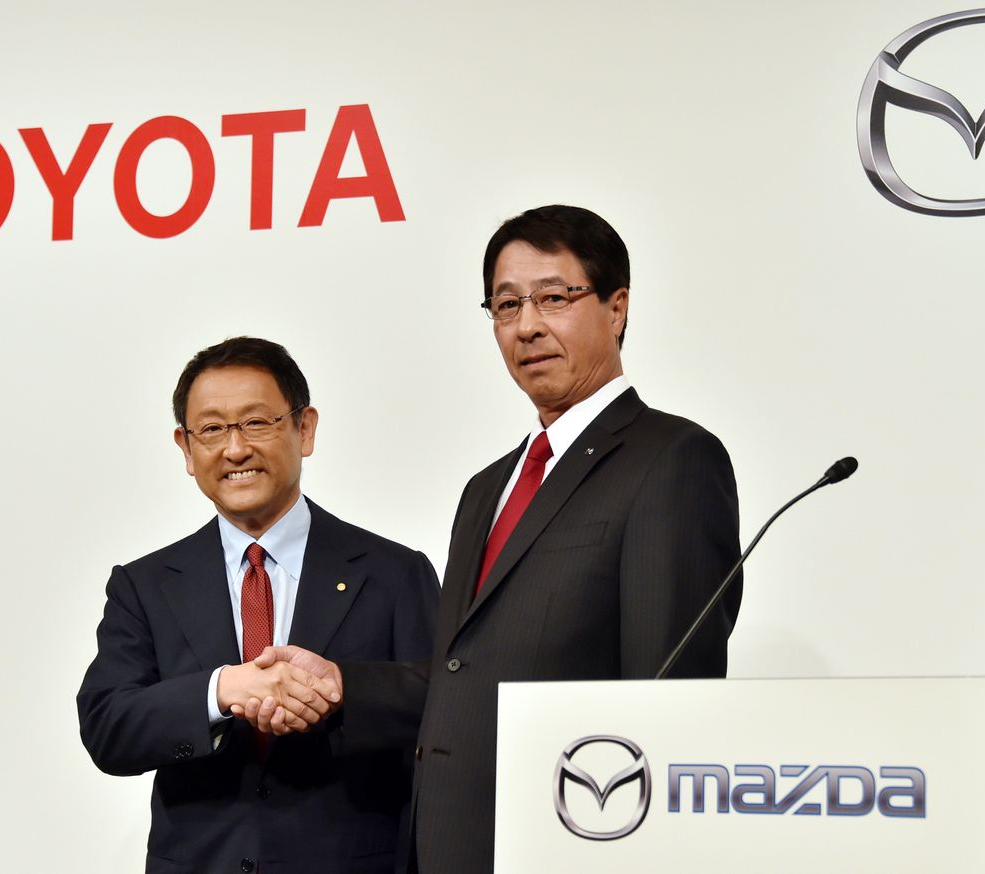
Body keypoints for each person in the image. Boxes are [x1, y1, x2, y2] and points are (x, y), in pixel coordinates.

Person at [250, 205, 743, 874]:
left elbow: (666, 699)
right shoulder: (489, 487)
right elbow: (462, 675)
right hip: (445, 843)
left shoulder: (672, 460)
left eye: (554, 297)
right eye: (506, 305)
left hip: (564, 845)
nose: (528, 325)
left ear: (616, 307)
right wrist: (343, 685)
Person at [77, 337, 439, 874]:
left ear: (305, 428)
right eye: (213, 429)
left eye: (256, 423)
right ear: (185, 447)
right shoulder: (145, 585)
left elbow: (446, 708)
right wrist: (223, 690)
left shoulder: (393, 572)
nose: (235, 449)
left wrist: (343, 691)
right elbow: (108, 726)